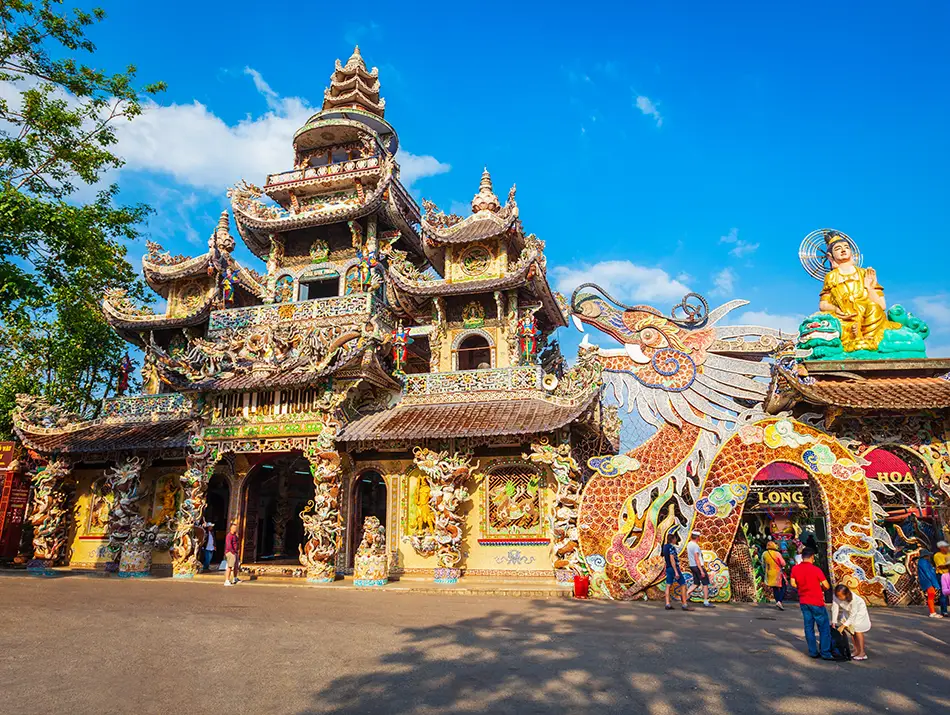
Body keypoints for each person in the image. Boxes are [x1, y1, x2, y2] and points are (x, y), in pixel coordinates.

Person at [790, 547, 833, 660]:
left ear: (802, 556)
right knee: (823, 628)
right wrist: (820, 587)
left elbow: (793, 584)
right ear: (812, 557)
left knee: (808, 627)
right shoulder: (816, 570)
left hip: (804, 601)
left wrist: (802, 587)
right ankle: (825, 652)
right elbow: (827, 585)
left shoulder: (795, 569)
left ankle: (813, 652)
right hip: (816, 601)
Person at [832, 585, 870, 661]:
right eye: (837, 595)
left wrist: (843, 626)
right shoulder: (835, 596)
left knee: (858, 630)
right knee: (851, 630)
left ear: (846, 594)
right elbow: (835, 608)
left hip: (859, 611)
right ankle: (856, 650)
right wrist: (834, 622)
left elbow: (853, 614)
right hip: (848, 611)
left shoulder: (854, 599)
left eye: (840, 596)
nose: (838, 598)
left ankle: (862, 653)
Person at [686, 531, 715, 608]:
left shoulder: (689, 544)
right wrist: (701, 570)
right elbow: (697, 558)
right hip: (698, 566)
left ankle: (685, 595)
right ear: (698, 538)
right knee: (705, 583)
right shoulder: (695, 546)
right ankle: (706, 601)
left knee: (696, 583)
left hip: (692, 566)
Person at [662, 533, 690, 611]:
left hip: (668, 568)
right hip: (674, 568)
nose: (676, 540)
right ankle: (684, 604)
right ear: (673, 539)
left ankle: (667, 603)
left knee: (668, 585)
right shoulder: (671, 547)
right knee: (683, 584)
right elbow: (672, 559)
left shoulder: (665, 547)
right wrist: (676, 571)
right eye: (675, 539)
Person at [916, 550, 944, 618]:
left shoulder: (922, 562)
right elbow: (928, 573)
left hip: (927, 580)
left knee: (931, 595)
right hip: (928, 581)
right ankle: (932, 612)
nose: (929, 556)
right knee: (931, 595)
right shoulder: (924, 562)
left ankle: (933, 612)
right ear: (925, 555)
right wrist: (934, 583)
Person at [762, 541, 788, 610]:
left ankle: (777, 601)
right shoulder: (777, 554)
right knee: (783, 587)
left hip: (769, 573)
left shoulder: (764, 554)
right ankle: (779, 601)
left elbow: (763, 564)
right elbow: (783, 563)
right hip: (778, 573)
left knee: (775, 588)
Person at [934, 541, 950, 616]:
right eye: (945, 547)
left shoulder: (949, 554)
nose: (947, 548)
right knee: (944, 593)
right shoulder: (937, 555)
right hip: (942, 575)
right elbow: (940, 566)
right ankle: (944, 611)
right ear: (941, 548)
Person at [224, 522, 241, 586]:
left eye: (236, 528)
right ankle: (227, 580)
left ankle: (235, 578)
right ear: (230, 528)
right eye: (233, 528)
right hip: (230, 552)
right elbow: (229, 545)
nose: (235, 529)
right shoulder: (229, 536)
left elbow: (237, 543)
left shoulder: (235, 535)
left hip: (235, 552)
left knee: (236, 566)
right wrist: (233, 552)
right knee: (230, 566)